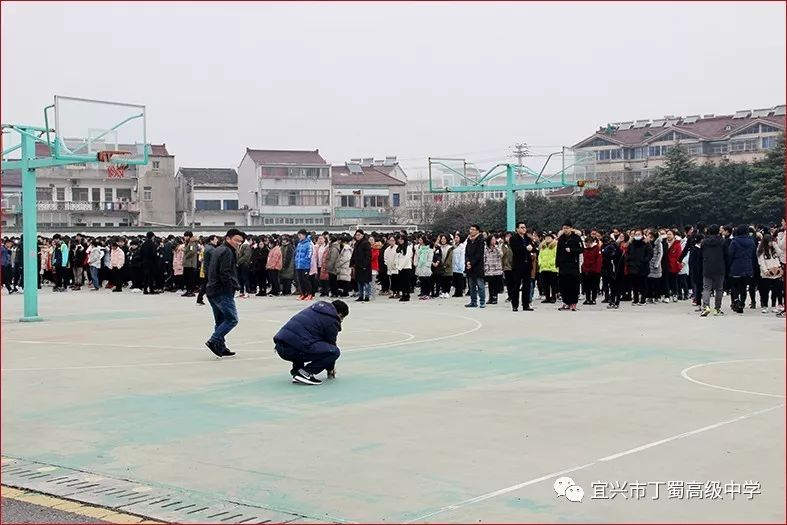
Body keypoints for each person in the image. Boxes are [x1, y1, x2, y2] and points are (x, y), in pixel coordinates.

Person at [274, 299, 349, 385]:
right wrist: (330, 368)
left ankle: (297, 372)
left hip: (280, 347)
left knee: (303, 340)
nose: (341, 321)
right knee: (334, 352)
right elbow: (330, 346)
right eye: (342, 318)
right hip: (293, 349)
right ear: (340, 314)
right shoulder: (332, 319)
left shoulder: (313, 309)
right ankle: (305, 373)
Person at [205, 229, 245, 357]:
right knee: (232, 319)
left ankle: (220, 346)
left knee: (220, 320)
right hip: (221, 290)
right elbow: (225, 273)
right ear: (228, 238)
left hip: (212, 288)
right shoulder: (227, 251)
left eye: (240, 242)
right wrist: (231, 286)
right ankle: (214, 340)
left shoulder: (218, 250)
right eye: (236, 240)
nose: (238, 243)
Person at [700, 224, 728, 317]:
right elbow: (726, 255)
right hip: (720, 267)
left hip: (707, 267)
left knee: (706, 288)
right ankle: (717, 308)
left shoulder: (704, 242)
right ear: (718, 231)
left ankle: (706, 307)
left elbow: (701, 254)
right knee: (719, 289)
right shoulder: (722, 242)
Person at [727, 225, 756, 314]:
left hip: (736, 266)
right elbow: (753, 255)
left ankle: (736, 299)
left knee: (734, 285)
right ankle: (742, 304)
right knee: (743, 286)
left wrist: (729, 266)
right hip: (747, 266)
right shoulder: (751, 241)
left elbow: (730, 254)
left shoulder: (734, 241)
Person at [556, 222, 582, 311]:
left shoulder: (576, 238)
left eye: (567, 228)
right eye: (564, 228)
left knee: (573, 284)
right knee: (564, 284)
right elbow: (558, 252)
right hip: (563, 265)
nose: (565, 230)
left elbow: (581, 249)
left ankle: (573, 302)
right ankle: (566, 302)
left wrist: (571, 250)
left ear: (571, 228)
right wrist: (557, 263)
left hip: (573, 265)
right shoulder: (561, 238)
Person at [509, 222, 535, 312]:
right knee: (516, 286)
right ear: (517, 229)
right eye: (521, 227)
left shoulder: (527, 238)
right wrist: (525, 248)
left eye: (524, 227)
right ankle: (515, 305)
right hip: (518, 265)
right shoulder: (513, 238)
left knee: (527, 286)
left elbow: (533, 247)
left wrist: (532, 246)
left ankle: (526, 304)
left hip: (527, 265)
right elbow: (515, 249)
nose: (524, 229)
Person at [464, 224, 485, 308]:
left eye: (473, 229)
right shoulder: (469, 240)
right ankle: (473, 301)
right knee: (471, 285)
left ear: (477, 231)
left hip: (478, 266)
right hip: (470, 266)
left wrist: (471, 263)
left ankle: (482, 301)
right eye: (470, 229)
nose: (471, 231)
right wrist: (467, 262)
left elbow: (479, 254)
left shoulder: (480, 240)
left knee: (480, 285)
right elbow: (466, 253)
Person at [350, 230, 372, 302]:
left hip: (365, 266)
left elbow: (368, 256)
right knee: (359, 281)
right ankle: (361, 295)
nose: (357, 236)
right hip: (358, 265)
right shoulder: (357, 243)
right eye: (356, 235)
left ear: (362, 235)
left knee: (366, 282)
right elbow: (354, 254)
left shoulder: (366, 243)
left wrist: (365, 265)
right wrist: (352, 263)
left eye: (359, 235)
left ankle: (367, 296)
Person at [197, 235, 219, 304]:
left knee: (206, 284)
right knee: (208, 285)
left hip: (207, 269)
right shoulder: (211, 249)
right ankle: (201, 298)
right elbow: (215, 260)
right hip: (210, 270)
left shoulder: (208, 247)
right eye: (215, 239)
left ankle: (200, 298)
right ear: (211, 240)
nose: (217, 240)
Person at [581, 236, 602, 305]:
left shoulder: (596, 249)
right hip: (585, 270)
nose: (587, 244)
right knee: (586, 286)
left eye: (589, 243)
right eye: (586, 243)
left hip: (594, 271)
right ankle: (587, 298)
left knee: (594, 286)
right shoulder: (584, 249)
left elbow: (599, 260)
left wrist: (597, 270)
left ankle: (593, 299)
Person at [294, 229, 314, 301]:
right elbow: (296, 253)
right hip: (298, 265)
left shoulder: (308, 244)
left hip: (305, 265)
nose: (299, 237)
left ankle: (309, 294)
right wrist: (296, 261)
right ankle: (303, 293)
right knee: (300, 280)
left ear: (304, 235)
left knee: (306, 280)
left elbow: (309, 254)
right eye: (298, 235)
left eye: (300, 235)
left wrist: (305, 261)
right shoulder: (299, 244)